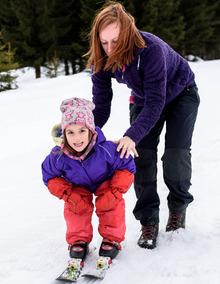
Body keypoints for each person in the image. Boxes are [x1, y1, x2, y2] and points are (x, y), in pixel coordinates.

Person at [85, 1, 200, 249]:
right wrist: (86, 134)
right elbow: (102, 105)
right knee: (140, 156)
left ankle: (178, 209)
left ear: (127, 33)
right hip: (144, 99)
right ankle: (149, 220)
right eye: (104, 42)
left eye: (115, 41)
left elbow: (157, 102)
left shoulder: (151, 50)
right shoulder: (102, 59)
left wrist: (131, 134)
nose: (109, 48)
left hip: (181, 93)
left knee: (175, 155)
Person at [42, 97, 135, 266]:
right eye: (70, 132)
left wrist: (116, 190)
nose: (77, 138)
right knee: (76, 205)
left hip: (105, 183)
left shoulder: (105, 149)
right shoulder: (58, 156)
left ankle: (111, 239)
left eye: (82, 131)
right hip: (77, 186)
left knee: (110, 203)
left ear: (91, 131)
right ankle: (78, 240)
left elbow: (126, 164)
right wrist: (67, 193)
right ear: (63, 134)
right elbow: (49, 175)